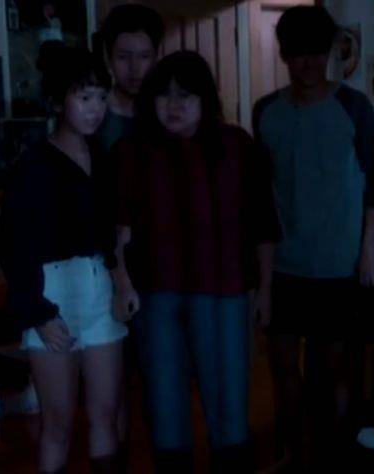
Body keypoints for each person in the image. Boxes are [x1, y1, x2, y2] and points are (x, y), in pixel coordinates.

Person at [112, 51, 281, 473]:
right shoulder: (131, 151)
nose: (174, 105)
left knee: (229, 403)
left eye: (185, 95)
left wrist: (265, 289)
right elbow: (115, 228)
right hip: (155, 292)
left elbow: (262, 224)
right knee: (164, 402)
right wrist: (122, 283)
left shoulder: (236, 146)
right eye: (165, 95)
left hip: (223, 289)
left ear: (205, 99)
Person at [252, 5, 374, 471]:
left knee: (330, 373)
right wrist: (262, 279)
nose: (306, 64)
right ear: (284, 56)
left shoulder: (354, 107)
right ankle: (291, 454)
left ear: (329, 53)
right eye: (296, 54)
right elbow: (260, 195)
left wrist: (368, 248)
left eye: (314, 53)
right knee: (283, 370)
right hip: (284, 265)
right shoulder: (266, 111)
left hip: (338, 264)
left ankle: (330, 459)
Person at [0, 43, 128, 474]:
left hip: (98, 285)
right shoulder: (33, 164)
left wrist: (121, 283)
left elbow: (113, 235)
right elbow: (12, 246)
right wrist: (37, 311)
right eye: (84, 97)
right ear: (59, 102)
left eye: (101, 97)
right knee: (58, 423)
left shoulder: (103, 159)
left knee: (106, 413)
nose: (95, 108)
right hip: (52, 291)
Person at [95, 3, 164, 151]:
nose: (134, 68)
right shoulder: (93, 114)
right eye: (123, 57)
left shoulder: (166, 111)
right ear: (108, 58)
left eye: (144, 56)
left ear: (156, 57)